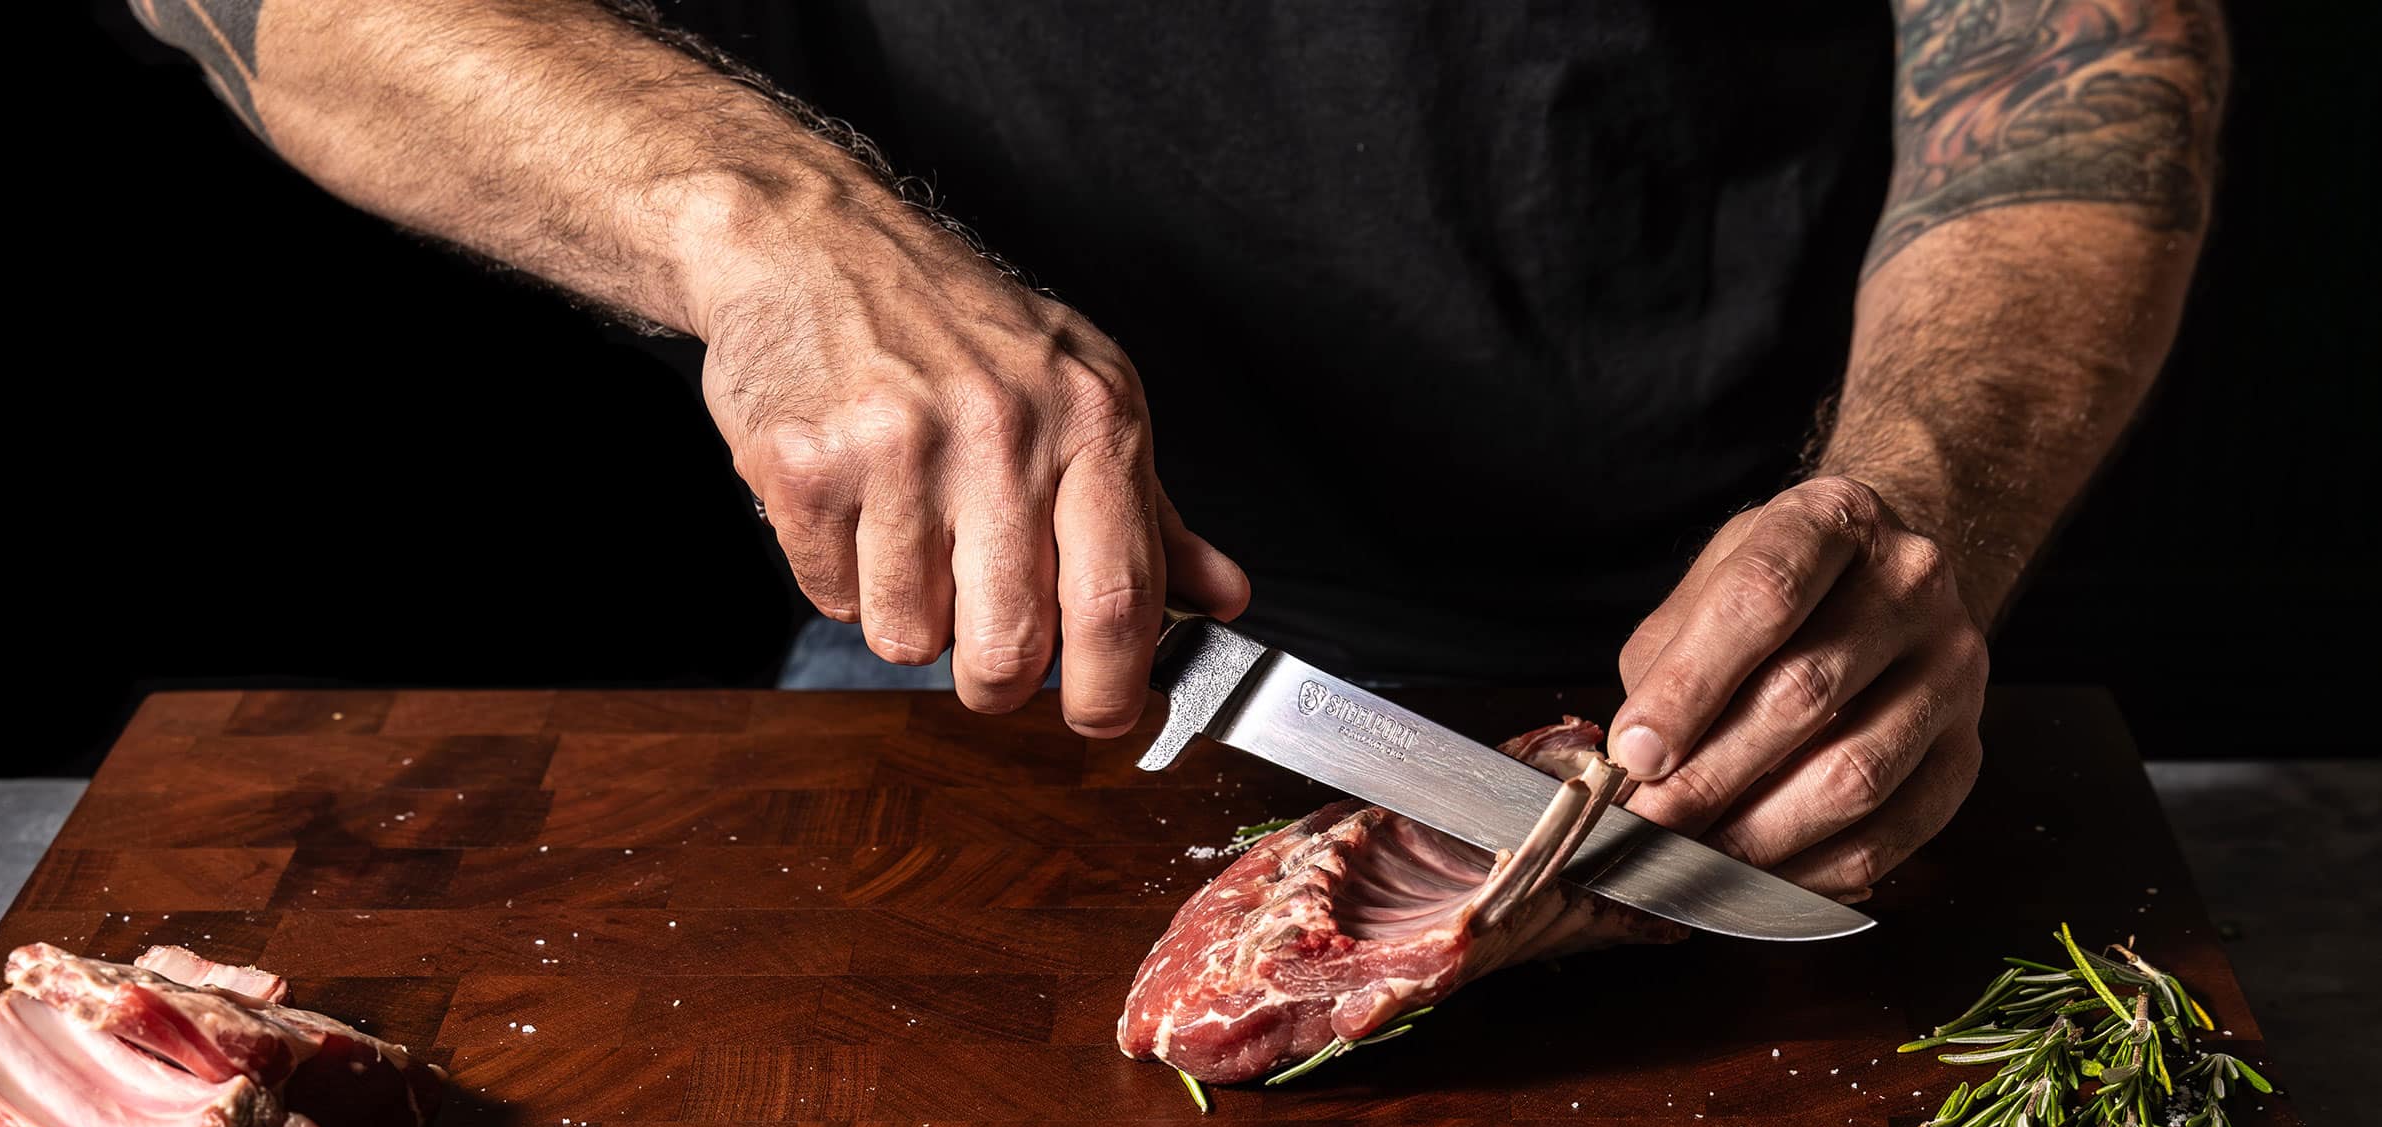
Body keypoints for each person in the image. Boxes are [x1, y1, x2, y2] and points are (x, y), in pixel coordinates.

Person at [130, 1, 2223, 901]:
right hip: (991, 638)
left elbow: (2065, 45)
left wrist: (1909, 506)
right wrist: (762, 230)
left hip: (1747, 633)